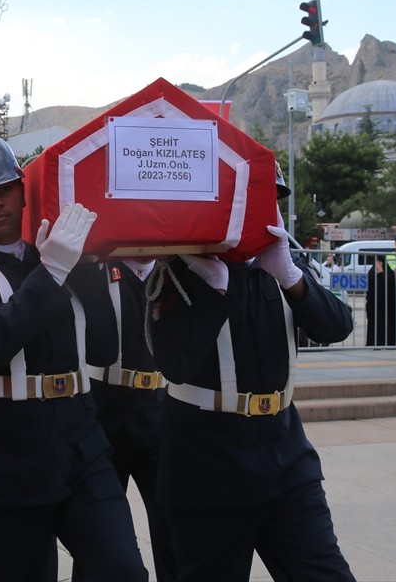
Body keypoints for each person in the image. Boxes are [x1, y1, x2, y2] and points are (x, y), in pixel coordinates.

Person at [0, 134, 147, 582]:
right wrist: (52, 271)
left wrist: (129, 262)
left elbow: (108, 338)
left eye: (5, 190)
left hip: (77, 438)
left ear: (23, 192)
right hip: (1, 451)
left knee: (122, 570)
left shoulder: (57, 255)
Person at [148, 167, 355, 581]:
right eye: (253, 199)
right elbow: (173, 362)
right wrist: (213, 287)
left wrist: (292, 277)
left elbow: (337, 326)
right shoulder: (179, 268)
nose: (265, 210)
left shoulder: (280, 265)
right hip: (207, 464)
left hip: (285, 457)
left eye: (271, 200)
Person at [80, 257, 176, 582]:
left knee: (174, 531)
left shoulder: (173, 273)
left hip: (160, 411)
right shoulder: (95, 268)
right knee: (102, 539)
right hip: (103, 411)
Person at [364, 253, 396, 347]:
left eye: (378, 262)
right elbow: (370, 286)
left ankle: (388, 343)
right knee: (374, 326)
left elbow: (390, 286)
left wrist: (381, 274)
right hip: (374, 305)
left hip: (387, 307)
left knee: (387, 325)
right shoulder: (372, 272)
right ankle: (374, 343)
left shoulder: (389, 274)